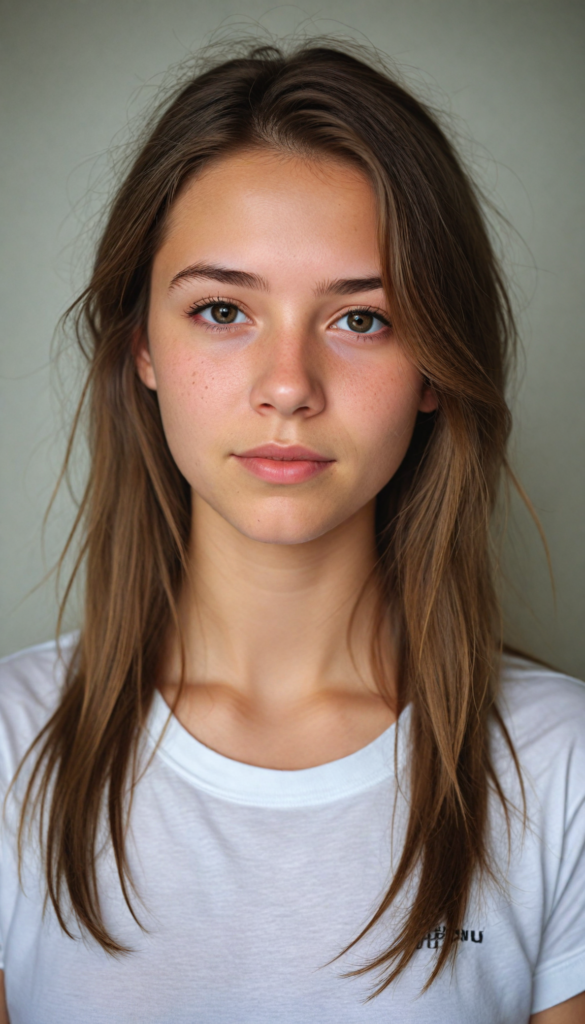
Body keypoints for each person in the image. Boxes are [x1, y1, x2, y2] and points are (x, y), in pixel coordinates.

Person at [0, 40, 584, 1023]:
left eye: (361, 320)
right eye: (223, 309)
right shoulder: (11, 749)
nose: (287, 386)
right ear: (142, 346)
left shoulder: (562, 769)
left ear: (435, 365)